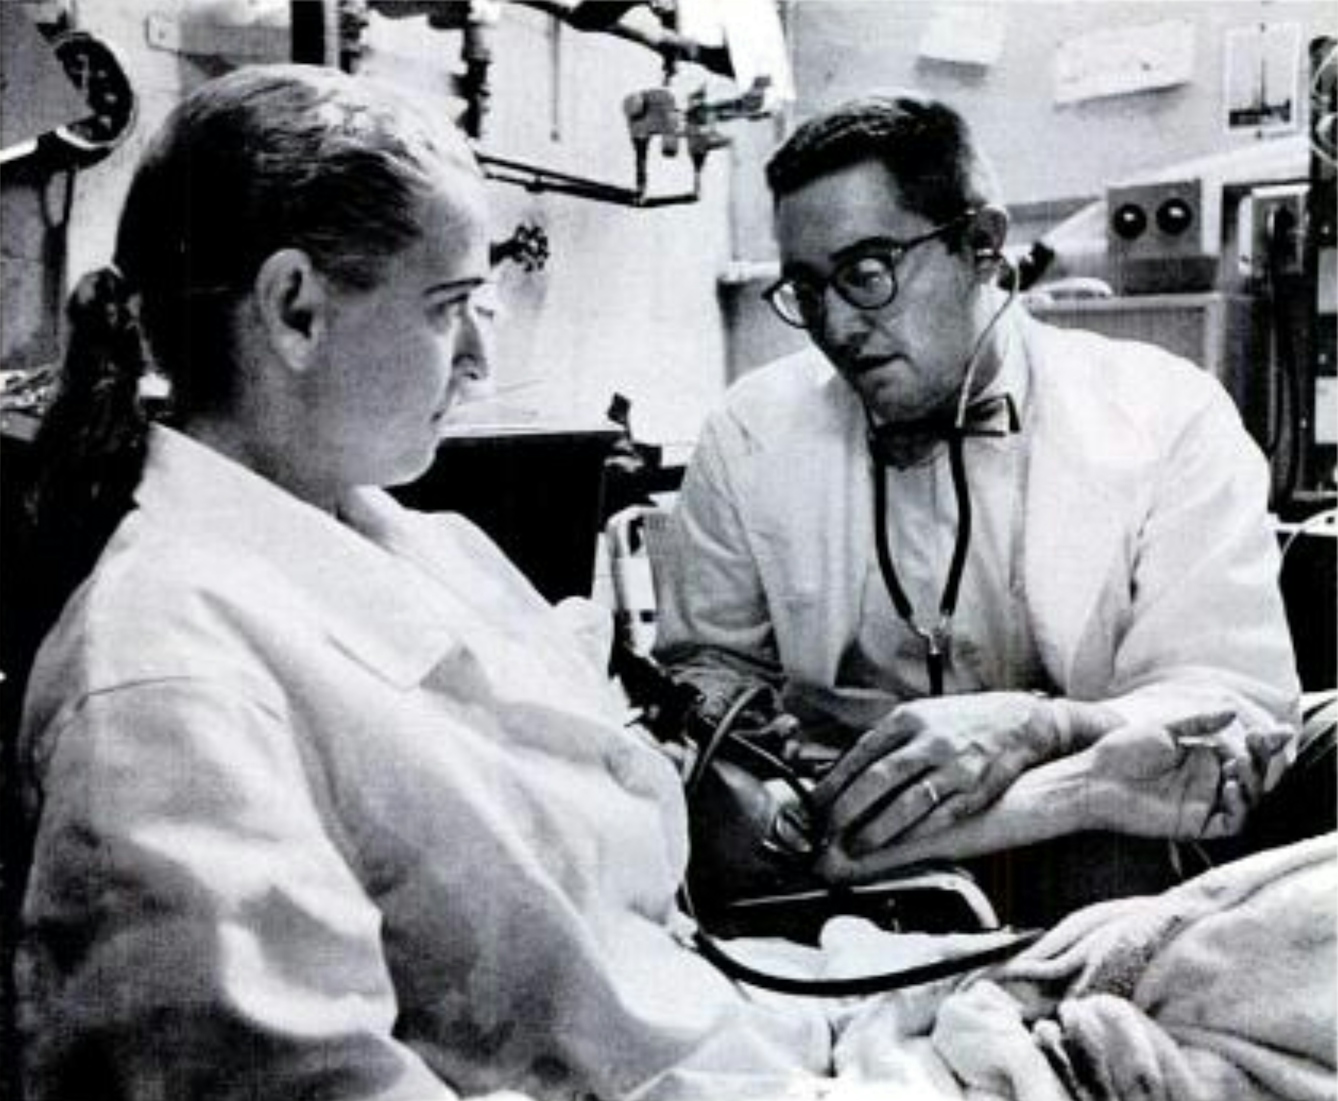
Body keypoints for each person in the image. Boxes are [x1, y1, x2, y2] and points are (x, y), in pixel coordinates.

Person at [652, 93, 1308, 921]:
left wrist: (1040, 727)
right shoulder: (749, 433)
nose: (836, 326)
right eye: (807, 290)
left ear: (983, 246)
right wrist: (729, 743)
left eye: (866, 273)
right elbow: (705, 669)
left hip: (1098, 849)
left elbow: (1230, 703)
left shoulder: (1168, 416)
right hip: (839, 860)